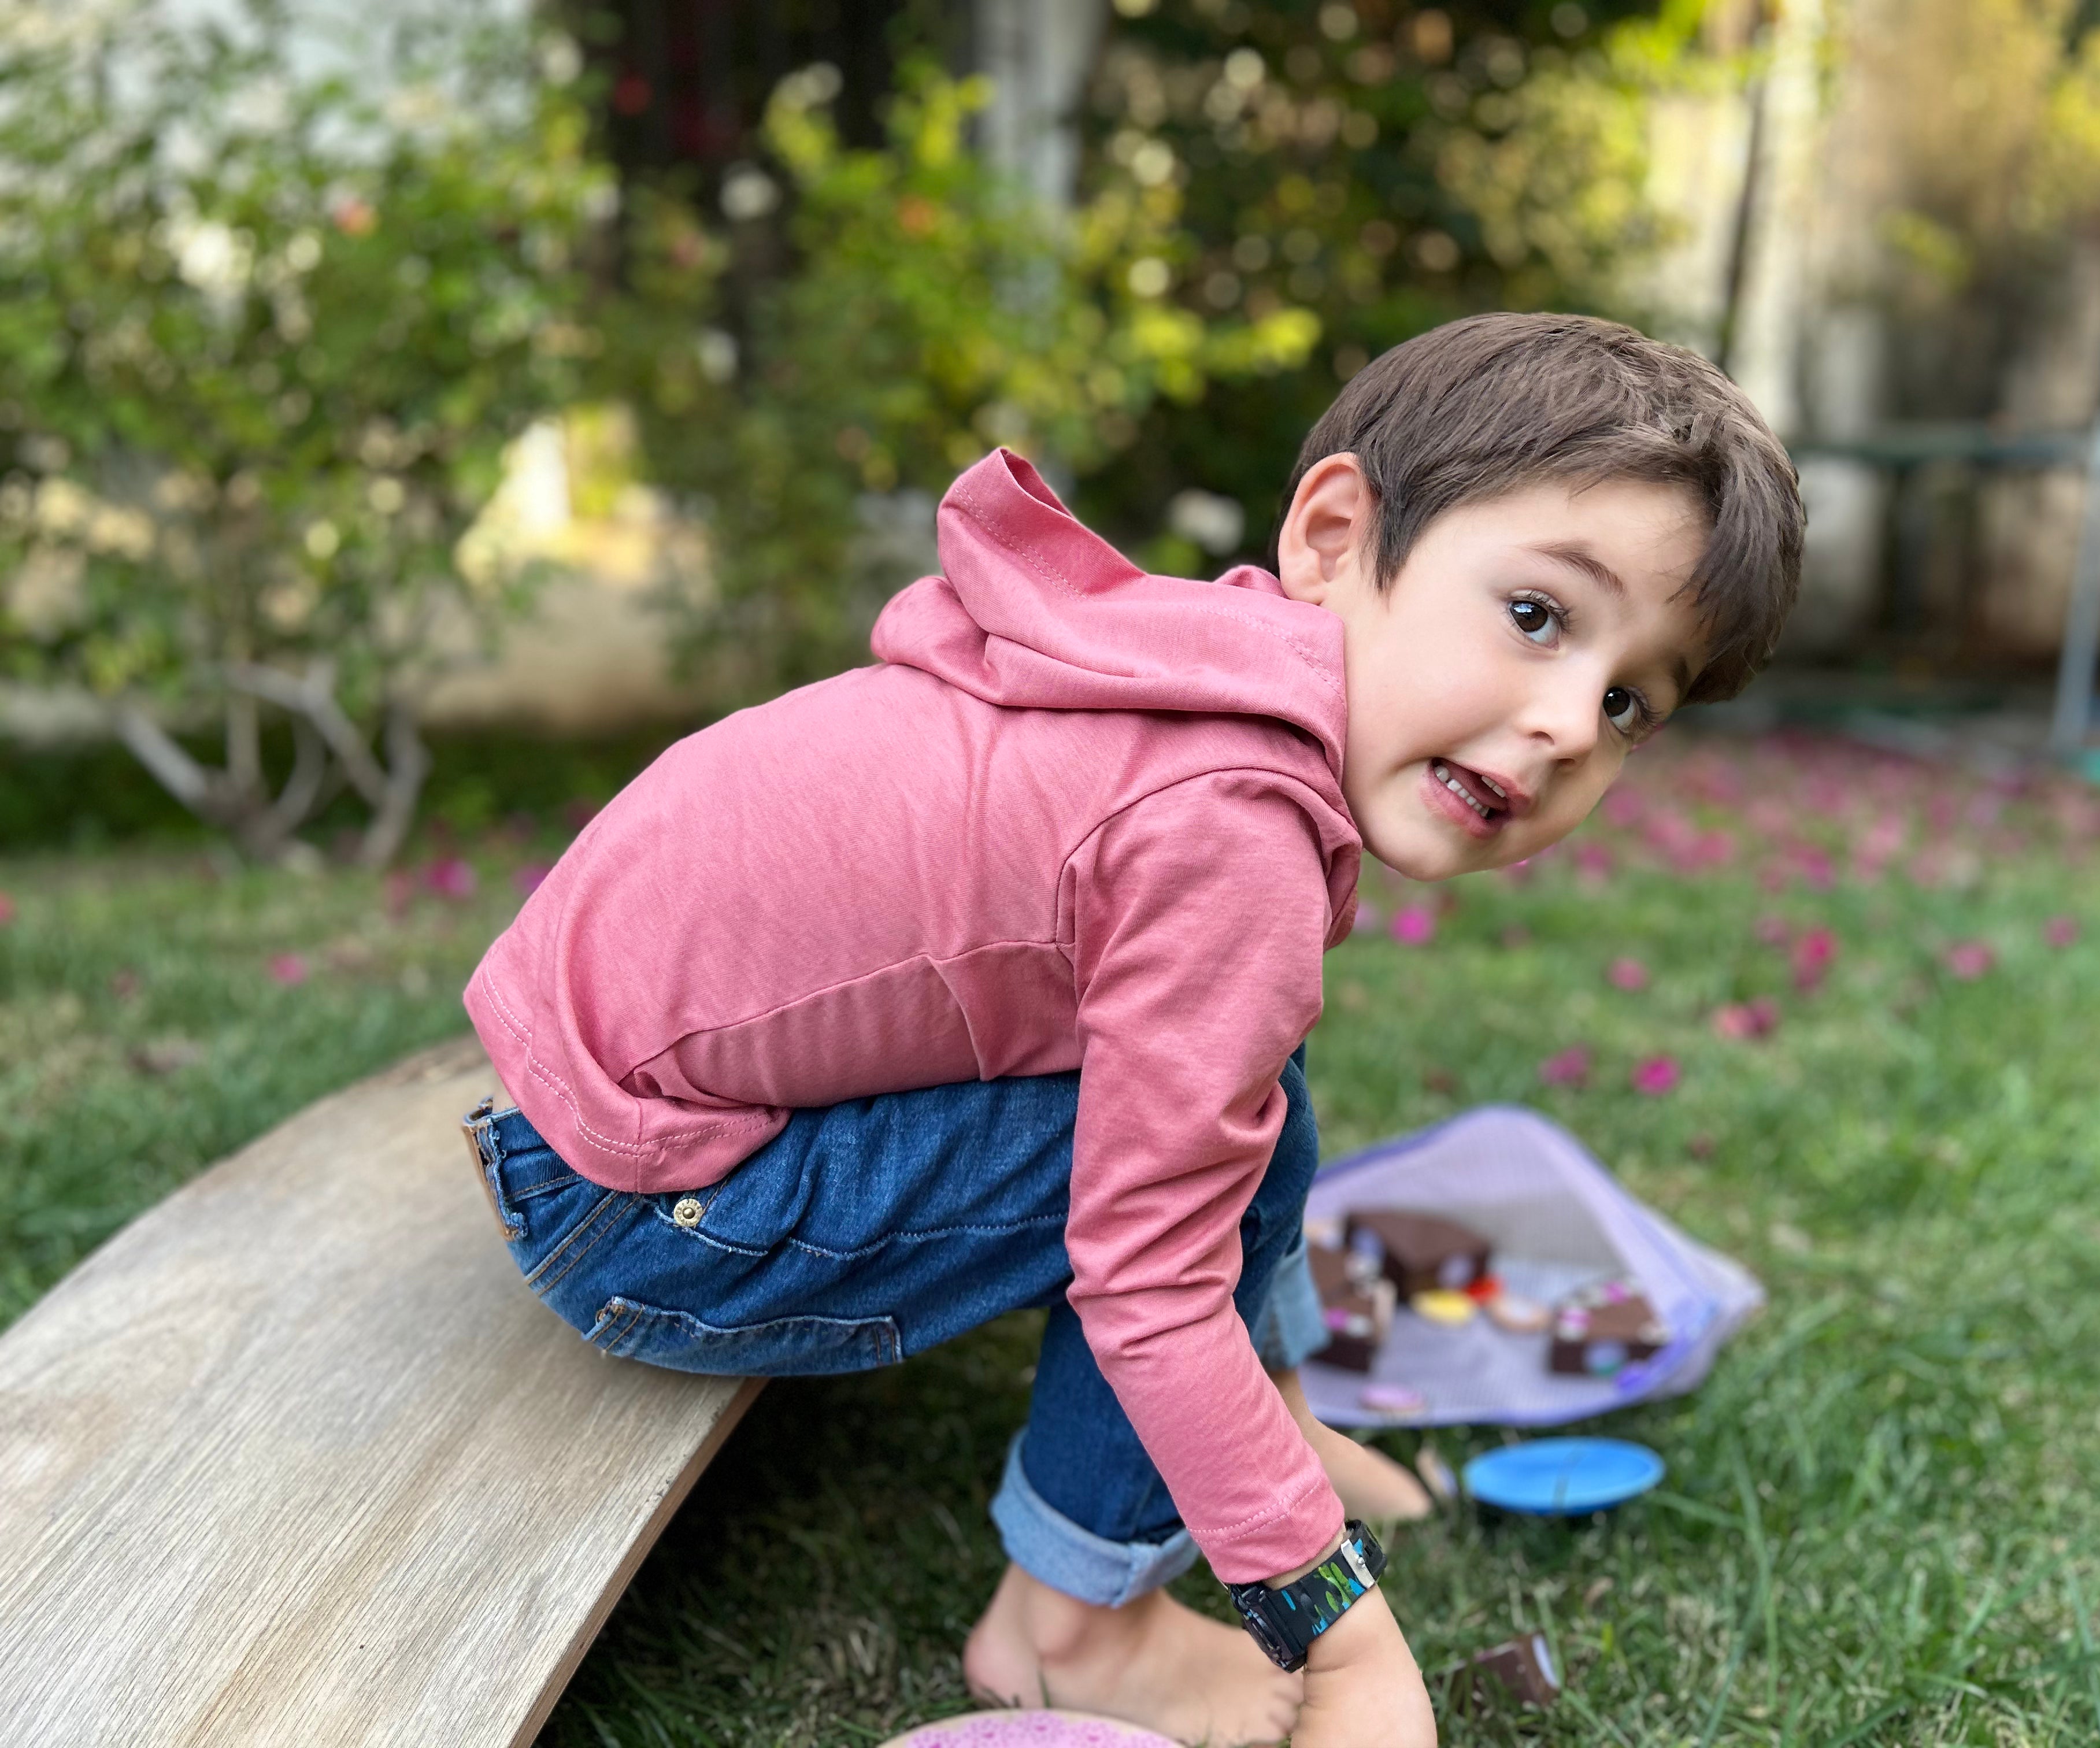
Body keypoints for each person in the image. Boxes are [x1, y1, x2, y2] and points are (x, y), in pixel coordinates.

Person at [457, 312, 1803, 1746]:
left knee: (1234, 1085)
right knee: (1196, 1180)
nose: (1571, 727)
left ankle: (1273, 1417)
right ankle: (1075, 1629)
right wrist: (1344, 1647)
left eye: (1629, 702)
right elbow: (1151, 1276)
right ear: (1334, 537)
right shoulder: (1229, 827)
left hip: (585, 1112)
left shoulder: (1195, 667)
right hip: (649, 1210)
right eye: (1537, 616)